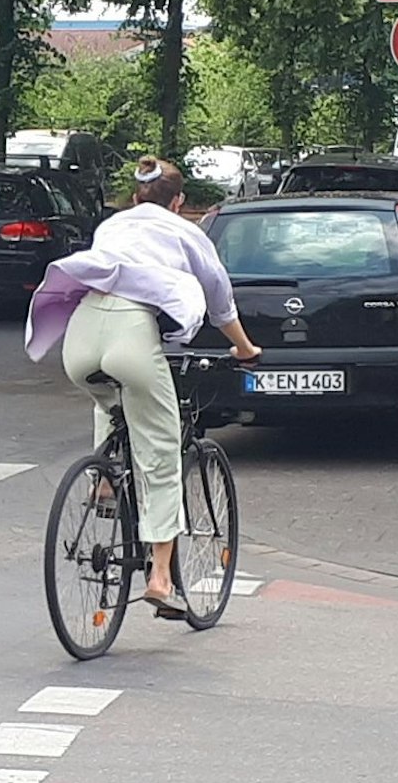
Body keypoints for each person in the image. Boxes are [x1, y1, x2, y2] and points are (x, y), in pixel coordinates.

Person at [25, 157, 262, 618]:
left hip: (81, 335)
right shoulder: (187, 231)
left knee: (113, 400)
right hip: (130, 333)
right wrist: (246, 349)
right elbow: (219, 300)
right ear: (178, 203)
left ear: (135, 198)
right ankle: (159, 576)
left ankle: (106, 481)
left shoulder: (113, 226)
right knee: (160, 450)